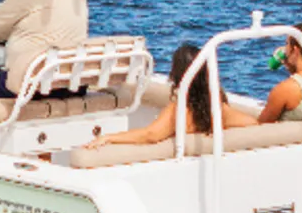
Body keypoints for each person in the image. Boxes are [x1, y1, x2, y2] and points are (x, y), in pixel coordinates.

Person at [84, 43, 258, 150]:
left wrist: (108, 137)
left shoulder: (179, 111)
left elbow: (150, 135)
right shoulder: (218, 109)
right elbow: (252, 124)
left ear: (177, 74)